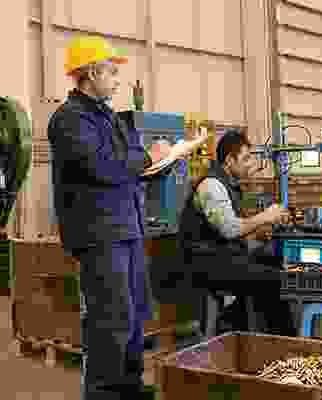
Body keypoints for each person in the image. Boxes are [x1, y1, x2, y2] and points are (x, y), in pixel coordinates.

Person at [48, 35, 207, 400]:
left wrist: (169, 158)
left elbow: (134, 166)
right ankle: (104, 394)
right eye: (112, 71)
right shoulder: (69, 120)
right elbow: (104, 166)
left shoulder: (110, 118)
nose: (118, 80)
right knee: (111, 320)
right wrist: (150, 156)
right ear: (91, 73)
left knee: (135, 315)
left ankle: (129, 389)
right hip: (99, 235)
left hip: (128, 228)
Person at [177, 128, 297, 336]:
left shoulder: (229, 184)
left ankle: (244, 327)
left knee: (275, 262)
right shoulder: (212, 185)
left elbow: (231, 230)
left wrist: (258, 234)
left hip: (223, 257)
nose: (251, 164)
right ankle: (281, 342)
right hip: (207, 265)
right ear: (229, 161)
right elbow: (230, 230)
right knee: (276, 280)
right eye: (246, 158)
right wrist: (266, 216)